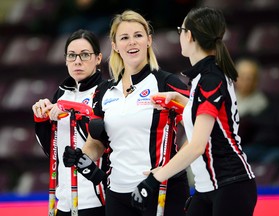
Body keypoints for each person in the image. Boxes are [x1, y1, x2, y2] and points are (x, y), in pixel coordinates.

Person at [131, 7, 257, 216]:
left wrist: (156, 178)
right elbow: (210, 117)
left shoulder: (210, 79)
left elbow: (197, 145)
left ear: (189, 35)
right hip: (206, 188)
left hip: (231, 184)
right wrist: (180, 100)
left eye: (181, 30)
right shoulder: (203, 77)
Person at [63, 10, 191, 216]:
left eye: (138, 35)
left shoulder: (166, 83)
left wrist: (169, 170)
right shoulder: (104, 91)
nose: (132, 42)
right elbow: (96, 142)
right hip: (118, 194)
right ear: (114, 45)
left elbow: (200, 130)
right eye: (124, 37)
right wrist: (81, 157)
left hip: (162, 189)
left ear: (148, 40)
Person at [32, 29, 108, 216]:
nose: (77, 61)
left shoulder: (107, 91)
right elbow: (52, 151)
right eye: (72, 55)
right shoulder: (61, 94)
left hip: (96, 198)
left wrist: (74, 110)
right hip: (64, 199)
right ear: (65, 59)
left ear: (98, 58)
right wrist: (41, 119)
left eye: (84, 55)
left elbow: (105, 138)